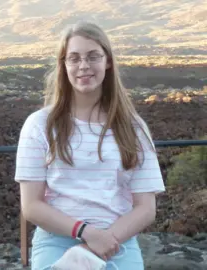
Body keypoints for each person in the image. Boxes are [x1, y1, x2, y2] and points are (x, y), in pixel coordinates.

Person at [14, 21, 165, 270]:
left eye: (93, 56)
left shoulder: (133, 127)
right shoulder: (39, 125)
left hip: (119, 242)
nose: (83, 65)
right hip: (57, 243)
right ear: (64, 65)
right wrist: (86, 233)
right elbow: (31, 206)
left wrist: (105, 240)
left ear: (107, 61)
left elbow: (146, 208)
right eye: (74, 58)